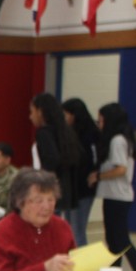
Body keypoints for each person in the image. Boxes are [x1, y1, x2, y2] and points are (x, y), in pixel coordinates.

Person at [0, 169, 75, 271]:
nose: (46, 207)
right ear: (20, 202)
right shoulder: (2, 232)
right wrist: (44, 269)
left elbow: (73, 268)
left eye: (51, 199)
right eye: (39, 201)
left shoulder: (62, 227)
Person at [91, 102, 136, 271]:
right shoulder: (121, 139)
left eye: (101, 120)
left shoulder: (117, 140)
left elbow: (121, 169)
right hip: (115, 196)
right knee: (113, 241)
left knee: (121, 240)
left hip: (118, 197)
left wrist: (98, 176)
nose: (99, 124)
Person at [29, 93, 85, 222]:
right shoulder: (65, 132)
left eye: (32, 112)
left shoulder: (44, 133)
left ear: (40, 112)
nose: (30, 117)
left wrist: (41, 185)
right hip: (65, 191)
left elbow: (51, 160)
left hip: (48, 190)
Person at [62, 98, 100, 246]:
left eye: (66, 115)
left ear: (74, 115)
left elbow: (92, 161)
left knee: (78, 231)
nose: (64, 119)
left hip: (83, 189)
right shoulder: (71, 133)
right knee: (69, 230)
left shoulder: (90, 134)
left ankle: (83, 266)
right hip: (71, 188)